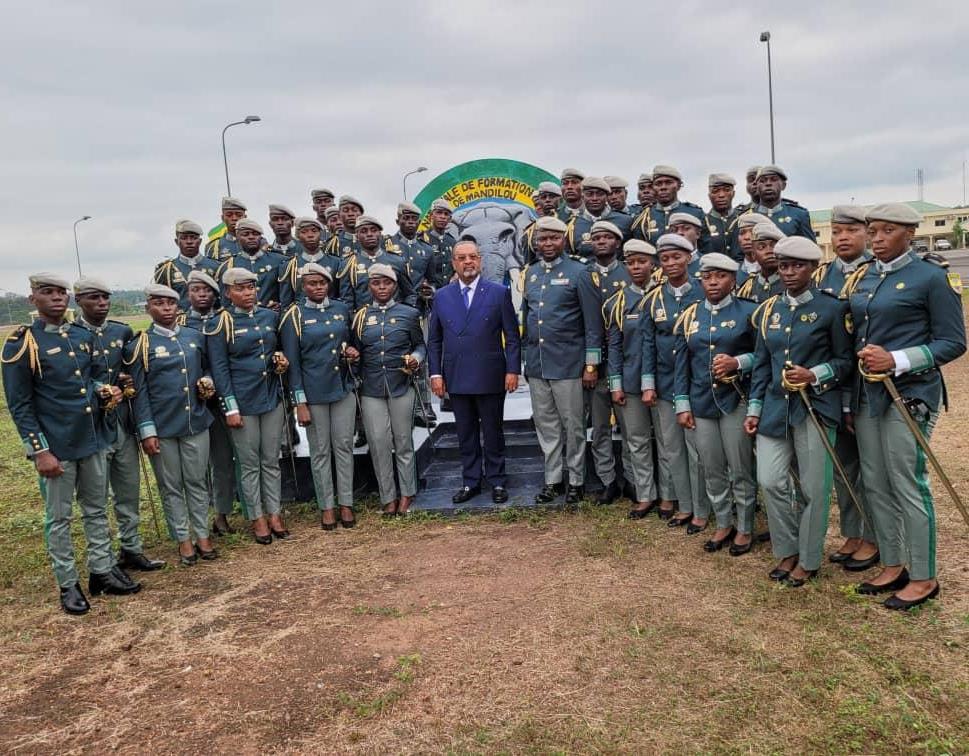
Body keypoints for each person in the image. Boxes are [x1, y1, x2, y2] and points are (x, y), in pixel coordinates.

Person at [845, 203, 966, 610]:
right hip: (868, 396)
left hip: (908, 394)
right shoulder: (865, 279)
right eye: (873, 231)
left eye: (887, 230)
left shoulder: (932, 277)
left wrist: (897, 360)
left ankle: (923, 575)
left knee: (907, 484)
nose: (877, 238)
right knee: (876, 482)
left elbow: (953, 342)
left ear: (910, 233)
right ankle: (893, 562)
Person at [2, 273, 139, 614]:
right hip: (57, 445)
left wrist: (105, 389)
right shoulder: (24, 342)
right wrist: (40, 450)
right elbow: (21, 404)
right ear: (32, 299)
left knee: (96, 508)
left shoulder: (79, 335)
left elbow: (91, 378)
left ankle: (102, 571)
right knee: (59, 518)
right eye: (47, 293)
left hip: (91, 437)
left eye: (61, 292)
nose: (56, 298)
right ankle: (68, 583)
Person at [744, 236, 853, 586]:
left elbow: (845, 361)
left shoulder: (832, 308)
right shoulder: (770, 309)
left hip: (815, 409)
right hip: (775, 409)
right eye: (784, 265)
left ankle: (807, 559)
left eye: (798, 266)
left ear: (813, 268)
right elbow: (762, 364)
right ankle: (787, 549)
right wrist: (755, 408)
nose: (789, 272)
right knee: (770, 481)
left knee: (813, 488)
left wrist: (815, 375)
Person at [74, 277, 165, 572]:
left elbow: (132, 372)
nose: (101, 303)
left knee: (128, 490)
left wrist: (126, 382)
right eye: (93, 298)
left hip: (123, 424)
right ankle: (102, 561)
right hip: (93, 428)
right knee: (96, 498)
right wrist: (100, 388)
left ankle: (131, 548)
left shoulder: (121, 331)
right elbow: (70, 380)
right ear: (79, 301)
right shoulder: (71, 336)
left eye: (105, 297)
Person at [673, 254, 758, 554]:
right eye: (707, 277)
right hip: (701, 402)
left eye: (720, 276)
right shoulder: (691, 314)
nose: (712, 282)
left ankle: (745, 527)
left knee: (740, 467)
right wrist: (682, 403)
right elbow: (681, 363)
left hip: (734, 400)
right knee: (711, 467)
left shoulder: (749, 312)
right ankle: (724, 522)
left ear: (733, 280)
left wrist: (739, 362)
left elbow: (764, 356)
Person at [127, 284, 216, 566]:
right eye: (159, 303)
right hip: (162, 427)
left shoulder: (194, 336)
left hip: (195, 422)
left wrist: (208, 382)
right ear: (148, 308)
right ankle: (183, 539)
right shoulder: (141, 344)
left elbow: (207, 368)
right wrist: (146, 430)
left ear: (178, 306)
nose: (166, 308)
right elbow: (139, 392)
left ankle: (202, 535)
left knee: (197, 481)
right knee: (171, 485)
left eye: (170, 303)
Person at [428, 241, 521, 504]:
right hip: (456, 376)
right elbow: (434, 340)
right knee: (465, 433)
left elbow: (512, 337)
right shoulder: (442, 296)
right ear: (453, 263)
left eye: (472, 257)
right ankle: (471, 482)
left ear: (480, 260)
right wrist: (436, 374)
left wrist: (513, 369)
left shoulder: (498, 292)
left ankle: (497, 481)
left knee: (493, 432)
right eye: (461, 258)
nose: (467, 262)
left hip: (490, 374)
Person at [205, 267, 291, 544]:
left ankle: (275, 512)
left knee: (271, 460)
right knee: (249, 463)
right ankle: (257, 517)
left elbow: (275, 350)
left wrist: (280, 361)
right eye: (240, 289)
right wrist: (229, 407)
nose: (247, 293)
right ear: (228, 292)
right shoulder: (222, 323)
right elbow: (220, 369)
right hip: (242, 402)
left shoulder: (268, 316)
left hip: (270, 398)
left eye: (251, 288)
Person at [520, 216, 602, 505]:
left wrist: (591, 364)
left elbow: (593, 324)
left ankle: (576, 481)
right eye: (543, 239)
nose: (548, 243)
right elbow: (526, 319)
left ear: (564, 240)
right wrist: (525, 361)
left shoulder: (579, 272)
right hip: (538, 364)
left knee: (573, 426)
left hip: (569, 364)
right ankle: (553, 480)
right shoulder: (530, 273)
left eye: (554, 238)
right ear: (536, 242)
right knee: (546, 425)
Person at [813, 205, 878, 568]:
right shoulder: (824, 276)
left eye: (851, 231)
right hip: (833, 383)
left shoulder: (874, 274)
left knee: (871, 466)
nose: (842, 238)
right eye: (836, 231)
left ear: (866, 233)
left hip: (866, 383)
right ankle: (853, 532)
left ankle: (874, 536)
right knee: (844, 465)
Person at [279, 263, 358, 529]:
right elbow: (294, 363)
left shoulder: (341, 309)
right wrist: (299, 402)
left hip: (342, 388)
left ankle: (346, 502)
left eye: (322, 283)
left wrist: (352, 354)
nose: (317, 287)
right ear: (303, 285)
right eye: (312, 283)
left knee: (344, 446)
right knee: (321, 451)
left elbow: (349, 343)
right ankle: (327, 505)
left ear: (329, 284)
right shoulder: (294, 315)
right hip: (313, 394)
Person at [350, 263, 426, 517]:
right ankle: (387, 495)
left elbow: (420, 345)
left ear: (395, 285)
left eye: (387, 283)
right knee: (379, 442)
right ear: (369, 286)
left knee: (403, 441)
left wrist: (415, 357)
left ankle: (407, 492)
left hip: (401, 385)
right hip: (372, 388)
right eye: (376, 283)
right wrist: (351, 355)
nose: (381, 288)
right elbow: (356, 351)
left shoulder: (408, 313)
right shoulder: (360, 316)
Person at [641, 234, 705, 521]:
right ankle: (685, 504)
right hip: (666, 383)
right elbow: (647, 343)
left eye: (677, 257)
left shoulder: (704, 293)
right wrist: (648, 384)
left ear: (688, 258)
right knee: (672, 448)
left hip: (698, 383)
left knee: (698, 450)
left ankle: (703, 507)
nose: (671, 263)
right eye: (665, 259)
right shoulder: (654, 298)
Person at [178, 270, 237, 535]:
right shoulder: (179, 323)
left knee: (223, 461)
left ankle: (221, 513)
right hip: (191, 404)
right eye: (196, 290)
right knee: (195, 466)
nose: (202, 295)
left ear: (215, 294)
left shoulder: (225, 319)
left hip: (222, 400)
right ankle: (198, 518)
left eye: (207, 290)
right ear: (188, 293)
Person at [606, 240, 659, 518]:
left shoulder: (664, 296)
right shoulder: (617, 302)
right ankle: (645, 493)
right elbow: (614, 346)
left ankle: (671, 497)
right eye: (631, 262)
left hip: (664, 381)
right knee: (637, 440)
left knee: (666, 443)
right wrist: (615, 384)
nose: (637, 267)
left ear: (653, 263)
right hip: (630, 381)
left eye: (642, 261)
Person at [585, 220, 633, 504]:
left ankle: (632, 479)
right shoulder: (584, 274)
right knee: (600, 427)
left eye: (608, 237)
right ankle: (607, 479)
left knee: (629, 427)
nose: (601, 241)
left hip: (625, 361)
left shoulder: (629, 272)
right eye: (597, 237)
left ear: (618, 243)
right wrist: (590, 364)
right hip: (595, 365)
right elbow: (586, 323)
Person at [337, 215, 414, 310]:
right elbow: (347, 302)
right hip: (365, 320)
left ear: (380, 234)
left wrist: (405, 316)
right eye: (364, 231)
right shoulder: (348, 264)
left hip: (395, 320)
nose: (369, 234)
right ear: (357, 236)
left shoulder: (397, 261)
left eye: (373, 230)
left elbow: (410, 294)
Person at [216, 219, 287, 309]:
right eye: (246, 234)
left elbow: (289, 294)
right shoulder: (228, 266)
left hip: (274, 318)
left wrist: (281, 306)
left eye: (255, 234)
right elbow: (225, 303)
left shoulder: (280, 261)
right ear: (237, 237)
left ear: (261, 237)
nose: (251, 237)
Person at [154, 219, 221, 312]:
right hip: (180, 322)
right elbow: (160, 302)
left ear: (200, 241)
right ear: (177, 242)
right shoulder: (166, 270)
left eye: (193, 237)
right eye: (184, 238)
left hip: (212, 322)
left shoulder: (216, 266)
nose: (189, 241)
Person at [632, 165, 707, 247]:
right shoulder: (643, 218)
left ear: (678, 186)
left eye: (668, 182)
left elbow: (706, 247)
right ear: (653, 187)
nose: (663, 187)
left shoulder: (695, 213)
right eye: (658, 183)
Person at [279, 217, 343, 309]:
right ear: (298, 237)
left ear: (321, 234)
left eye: (314, 231)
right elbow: (286, 302)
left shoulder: (336, 262)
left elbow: (340, 295)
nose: (310, 235)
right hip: (302, 316)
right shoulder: (289, 266)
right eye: (304, 232)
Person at [566, 177, 633, 258]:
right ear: (583, 197)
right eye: (590, 194)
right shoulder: (572, 226)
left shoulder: (625, 221)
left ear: (607, 197)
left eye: (600, 194)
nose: (595, 198)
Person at [752, 166, 815, 240]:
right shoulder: (748, 216)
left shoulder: (799, 215)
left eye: (774, 179)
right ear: (756, 187)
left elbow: (810, 248)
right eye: (763, 180)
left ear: (783, 185)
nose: (768, 183)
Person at [737, 221, 785, 302]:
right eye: (762, 247)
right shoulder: (747, 288)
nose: (769, 251)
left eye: (774, 246)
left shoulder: (792, 284)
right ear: (753, 254)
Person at [520, 181, 561, 265]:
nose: (539, 208)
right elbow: (528, 263)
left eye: (551, 197)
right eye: (536, 205)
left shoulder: (568, 222)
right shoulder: (530, 232)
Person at [421, 199, 457, 286]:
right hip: (428, 293)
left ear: (449, 219)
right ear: (431, 216)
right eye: (439, 213)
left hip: (449, 291)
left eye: (446, 214)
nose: (443, 217)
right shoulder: (421, 240)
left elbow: (457, 265)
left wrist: (456, 275)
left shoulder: (452, 241)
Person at [705, 174, 741, 259]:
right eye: (715, 191)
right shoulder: (703, 222)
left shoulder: (743, 218)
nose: (721, 195)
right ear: (709, 195)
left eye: (727, 190)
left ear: (733, 193)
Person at [206, 196, 248, 261]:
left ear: (245, 217)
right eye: (229, 215)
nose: (234, 218)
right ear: (223, 218)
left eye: (239, 215)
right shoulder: (214, 247)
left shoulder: (258, 242)